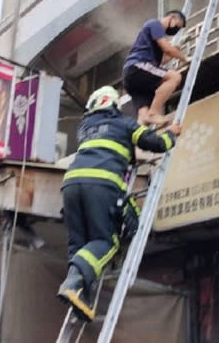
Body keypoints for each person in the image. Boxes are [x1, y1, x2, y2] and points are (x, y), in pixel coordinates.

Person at [57, 85, 182, 321]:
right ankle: (73, 284)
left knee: (79, 245)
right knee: (106, 242)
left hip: (71, 185)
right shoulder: (123, 123)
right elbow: (155, 144)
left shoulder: (84, 128)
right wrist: (171, 134)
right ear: (114, 105)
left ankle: (79, 297)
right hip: (102, 185)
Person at [122, 10, 189, 125]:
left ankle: (140, 138)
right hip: (138, 66)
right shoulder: (155, 24)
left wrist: (178, 46)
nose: (176, 30)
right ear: (171, 17)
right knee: (174, 77)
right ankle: (154, 113)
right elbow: (167, 48)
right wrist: (185, 59)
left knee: (143, 118)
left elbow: (162, 60)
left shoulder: (153, 41)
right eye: (177, 26)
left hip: (133, 77)